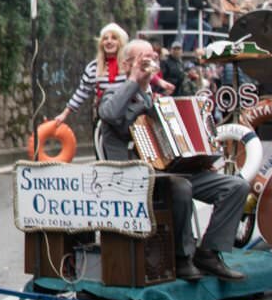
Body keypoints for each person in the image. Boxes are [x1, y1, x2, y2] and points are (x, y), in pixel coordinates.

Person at [98, 39, 249, 281]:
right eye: (143, 59)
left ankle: (208, 253)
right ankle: (181, 257)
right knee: (180, 187)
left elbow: (177, 142)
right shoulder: (114, 94)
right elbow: (110, 114)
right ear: (126, 64)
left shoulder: (161, 99)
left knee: (236, 186)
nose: (150, 62)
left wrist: (198, 160)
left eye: (152, 57)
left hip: (172, 170)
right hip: (136, 176)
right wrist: (134, 79)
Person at [53, 23, 130, 157]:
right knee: (103, 155)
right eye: (105, 38)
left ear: (121, 42)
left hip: (127, 118)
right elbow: (82, 92)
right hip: (104, 120)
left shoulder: (129, 65)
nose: (109, 41)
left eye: (114, 38)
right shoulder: (93, 68)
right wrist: (64, 114)